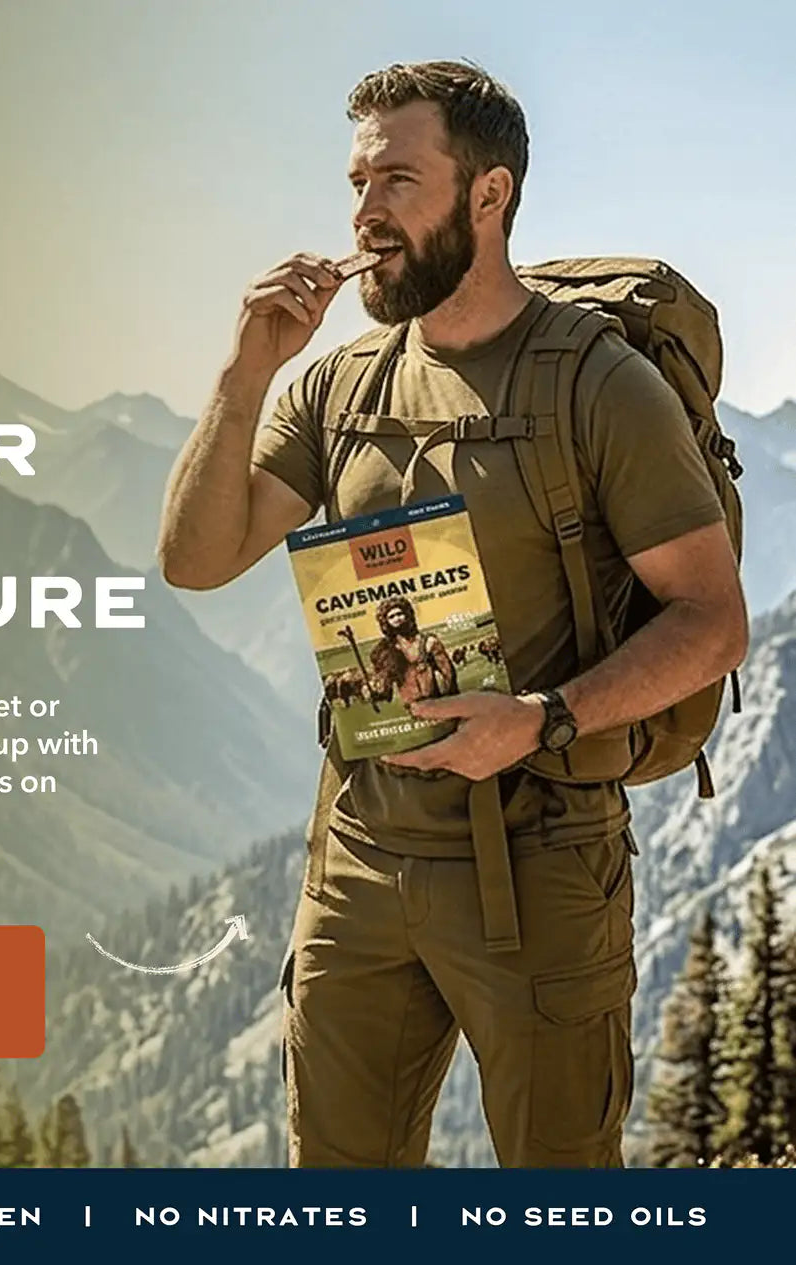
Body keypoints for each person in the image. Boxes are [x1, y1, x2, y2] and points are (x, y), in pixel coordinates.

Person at [156, 60, 748, 1168]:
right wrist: (246, 369)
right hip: (358, 856)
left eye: (397, 180)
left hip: (542, 858)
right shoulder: (335, 387)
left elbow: (710, 621)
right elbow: (196, 560)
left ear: (489, 196)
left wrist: (536, 718)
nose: (363, 213)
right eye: (356, 182)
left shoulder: (595, 384)